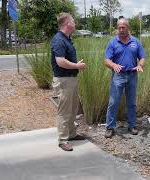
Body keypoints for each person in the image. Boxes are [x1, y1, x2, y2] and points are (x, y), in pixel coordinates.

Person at [104, 18, 146, 138]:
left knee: (131, 102)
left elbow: (142, 57)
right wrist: (113, 65)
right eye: (119, 27)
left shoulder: (136, 42)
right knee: (113, 102)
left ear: (128, 28)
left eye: (123, 27)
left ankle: (132, 125)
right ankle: (110, 127)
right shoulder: (113, 42)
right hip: (118, 76)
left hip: (132, 75)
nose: (121, 30)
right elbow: (106, 60)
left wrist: (140, 65)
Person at [51, 12, 86, 151]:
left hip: (71, 79)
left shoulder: (67, 38)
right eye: (73, 21)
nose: (75, 23)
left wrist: (75, 65)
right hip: (63, 80)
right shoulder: (59, 39)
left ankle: (71, 134)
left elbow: (65, 59)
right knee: (64, 111)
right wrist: (77, 66)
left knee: (72, 109)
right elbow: (60, 61)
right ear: (67, 24)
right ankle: (63, 139)